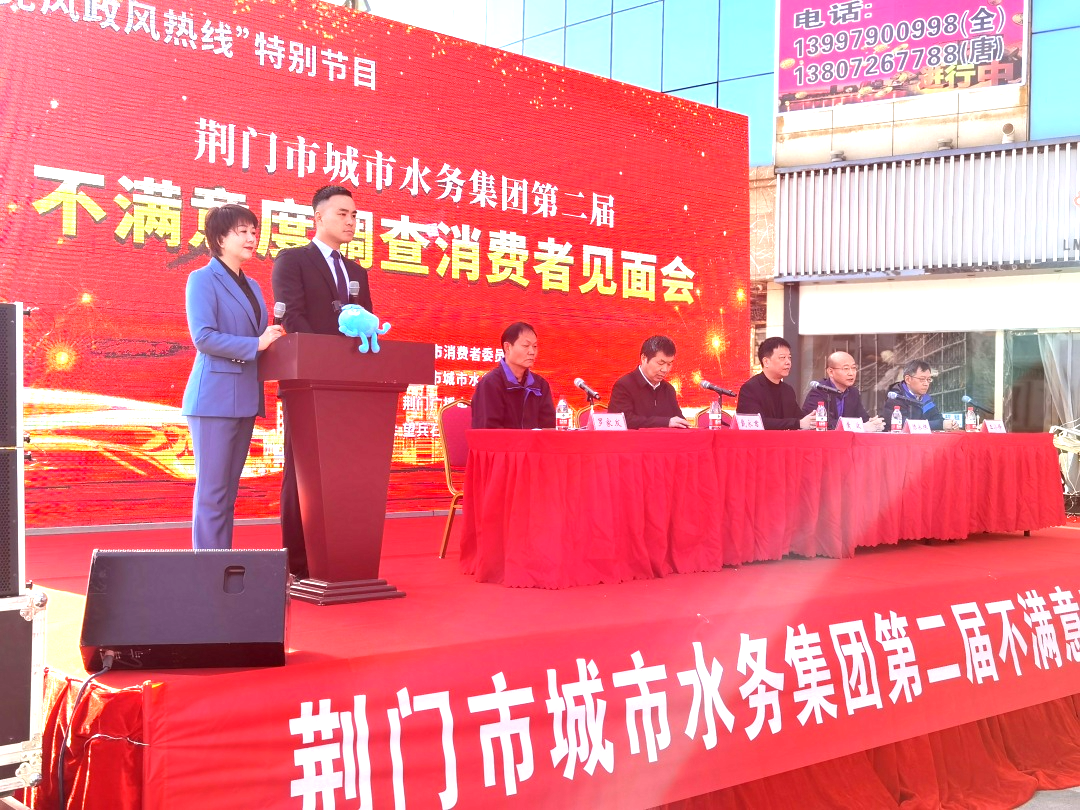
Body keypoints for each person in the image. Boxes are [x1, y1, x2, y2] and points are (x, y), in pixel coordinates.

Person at [271, 185, 370, 578]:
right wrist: (325, 360)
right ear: (318, 217)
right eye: (342, 214)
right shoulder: (293, 260)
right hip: (308, 384)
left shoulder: (358, 272)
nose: (351, 221)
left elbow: (366, 326)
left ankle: (340, 560)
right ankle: (298, 565)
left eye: (354, 215)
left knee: (344, 473)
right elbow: (292, 316)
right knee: (303, 475)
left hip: (350, 390)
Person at [182, 204, 283, 549]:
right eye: (243, 231)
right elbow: (204, 338)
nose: (252, 238)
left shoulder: (252, 285)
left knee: (227, 492)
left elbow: (260, 340)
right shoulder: (201, 279)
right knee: (212, 493)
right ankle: (207, 568)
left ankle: (219, 562)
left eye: (254, 231)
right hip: (213, 398)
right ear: (220, 238)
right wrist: (257, 343)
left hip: (245, 398)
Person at [472, 322, 556, 429]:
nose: (532, 352)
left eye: (534, 346)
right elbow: (488, 431)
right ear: (507, 347)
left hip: (535, 441)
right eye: (526, 346)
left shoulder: (540, 385)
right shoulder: (490, 384)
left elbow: (549, 428)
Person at [608, 335, 691, 429]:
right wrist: (665, 422)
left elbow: (678, 421)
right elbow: (622, 420)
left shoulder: (668, 389)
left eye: (669, 364)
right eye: (660, 363)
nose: (665, 369)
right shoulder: (624, 385)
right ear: (644, 358)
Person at [737, 337, 816, 430]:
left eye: (789, 358)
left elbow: (799, 418)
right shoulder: (750, 389)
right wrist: (798, 423)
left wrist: (812, 420)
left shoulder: (788, 390)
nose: (788, 362)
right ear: (766, 362)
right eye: (782, 358)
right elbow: (757, 424)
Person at [800, 351, 885, 431]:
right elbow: (824, 422)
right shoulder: (819, 391)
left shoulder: (853, 392)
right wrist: (861, 427)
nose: (851, 373)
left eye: (854, 368)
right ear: (831, 372)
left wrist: (872, 422)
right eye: (846, 368)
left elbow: (862, 418)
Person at [880, 359, 957, 431]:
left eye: (928, 379)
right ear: (908, 379)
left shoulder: (926, 398)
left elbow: (936, 418)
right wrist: (940, 425)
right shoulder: (896, 397)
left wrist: (949, 424)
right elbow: (904, 425)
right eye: (922, 379)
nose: (926, 384)